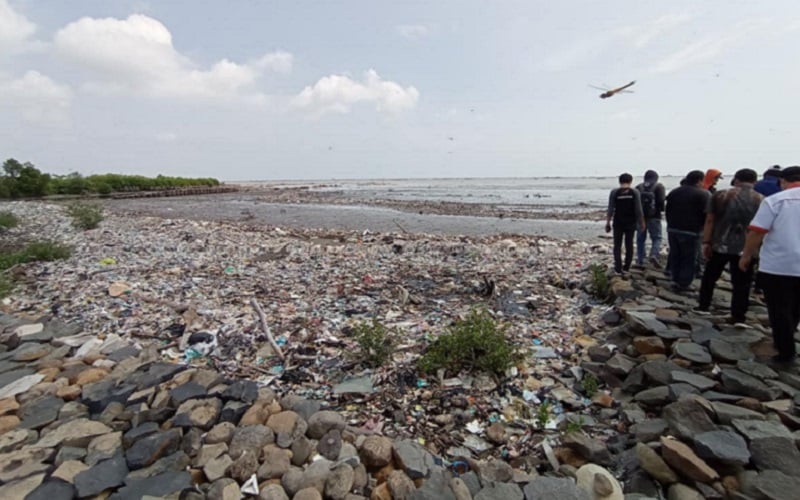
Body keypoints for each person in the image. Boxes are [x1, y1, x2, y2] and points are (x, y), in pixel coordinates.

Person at [740, 166, 800, 365]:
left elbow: (757, 231)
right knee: (796, 307)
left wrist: (746, 255)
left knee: (779, 309)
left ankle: (785, 352)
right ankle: (789, 334)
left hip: (778, 264)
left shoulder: (776, 200)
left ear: (782, 181)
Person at [696, 169, 763, 323]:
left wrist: (706, 242)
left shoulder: (720, 195)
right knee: (742, 283)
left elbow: (710, 220)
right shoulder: (762, 199)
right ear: (754, 181)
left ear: (736, 179)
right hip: (746, 247)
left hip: (720, 244)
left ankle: (703, 306)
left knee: (710, 277)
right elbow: (762, 228)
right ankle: (738, 315)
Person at [665, 170, 710, 291]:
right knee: (689, 258)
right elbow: (708, 215)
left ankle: (674, 279)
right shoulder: (703, 194)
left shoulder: (674, 192)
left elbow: (667, 210)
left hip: (673, 229)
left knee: (676, 255)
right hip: (692, 231)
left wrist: (669, 225)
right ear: (700, 180)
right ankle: (684, 283)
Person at [606, 173, 645, 274]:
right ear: (631, 181)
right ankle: (627, 267)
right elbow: (638, 209)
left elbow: (610, 208)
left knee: (617, 245)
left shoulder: (614, 192)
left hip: (618, 222)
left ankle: (618, 267)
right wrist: (642, 222)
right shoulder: (635, 192)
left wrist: (608, 222)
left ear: (620, 181)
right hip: (631, 222)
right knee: (629, 244)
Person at [635, 170, 666, 267]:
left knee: (640, 239)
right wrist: (661, 210)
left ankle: (641, 259)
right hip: (654, 217)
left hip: (640, 217)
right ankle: (654, 254)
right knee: (657, 238)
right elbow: (661, 201)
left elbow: (634, 203)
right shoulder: (659, 186)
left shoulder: (638, 187)